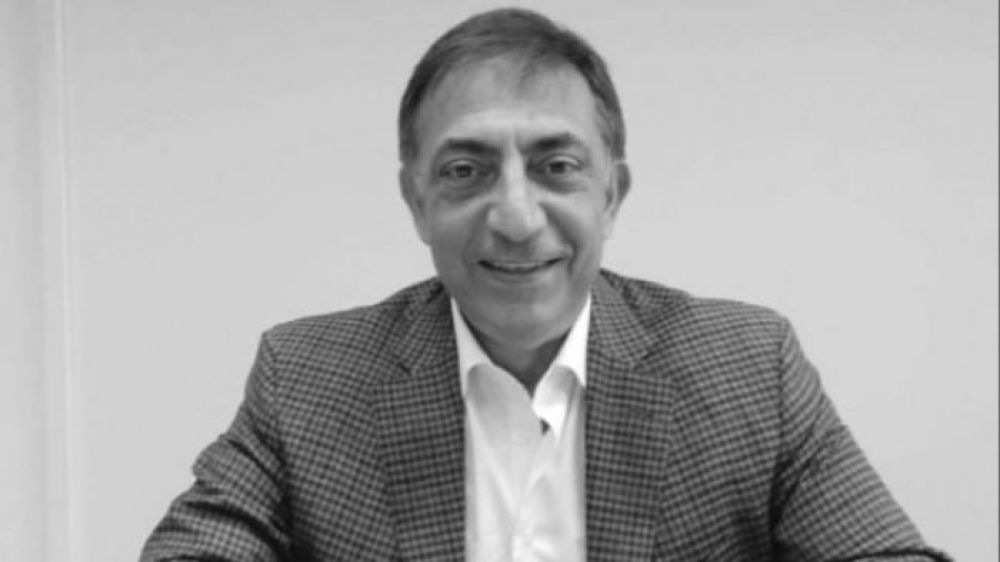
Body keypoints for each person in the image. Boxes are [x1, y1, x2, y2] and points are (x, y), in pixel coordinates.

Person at [141, 8, 951, 561]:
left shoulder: (748, 367)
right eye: (466, 171)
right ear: (417, 202)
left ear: (612, 194)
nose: (517, 218)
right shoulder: (307, 378)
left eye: (556, 166)